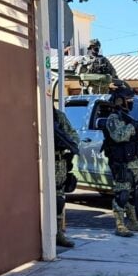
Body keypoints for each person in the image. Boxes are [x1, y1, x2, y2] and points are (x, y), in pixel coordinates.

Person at [102, 84, 138, 237]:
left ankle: (133, 222)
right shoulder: (113, 119)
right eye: (128, 99)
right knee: (122, 194)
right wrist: (132, 127)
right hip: (122, 163)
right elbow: (118, 136)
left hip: (136, 162)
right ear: (120, 101)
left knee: (132, 194)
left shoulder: (129, 119)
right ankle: (120, 225)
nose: (131, 102)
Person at [52, 99, 80, 248]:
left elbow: (74, 136)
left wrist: (64, 142)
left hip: (59, 163)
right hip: (40, 162)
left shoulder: (58, 116)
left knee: (58, 199)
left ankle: (58, 234)